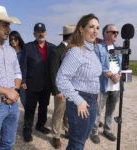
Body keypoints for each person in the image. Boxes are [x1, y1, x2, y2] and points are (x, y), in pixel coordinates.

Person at [56, 14, 102, 150]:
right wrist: (78, 100)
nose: (95, 31)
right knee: (77, 143)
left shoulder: (93, 51)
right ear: (81, 29)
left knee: (82, 139)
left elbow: (95, 77)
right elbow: (61, 79)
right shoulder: (76, 51)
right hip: (80, 101)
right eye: (91, 27)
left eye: (97, 28)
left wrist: (97, 96)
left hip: (92, 101)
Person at [0, 5, 22, 150]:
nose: (8, 29)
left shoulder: (10, 51)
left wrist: (14, 91)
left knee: (8, 144)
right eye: (5, 25)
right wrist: (7, 92)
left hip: (12, 105)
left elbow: (17, 73)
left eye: (9, 25)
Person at [21, 23, 55, 142]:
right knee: (30, 108)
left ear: (46, 32)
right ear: (34, 34)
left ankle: (40, 125)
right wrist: (23, 81)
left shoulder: (52, 47)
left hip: (46, 85)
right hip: (32, 84)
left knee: (44, 107)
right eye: (38, 31)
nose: (41, 33)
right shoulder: (27, 47)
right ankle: (27, 130)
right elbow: (23, 65)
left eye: (43, 31)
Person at [90, 24, 122, 144]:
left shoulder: (118, 48)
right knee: (98, 110)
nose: (116, 34)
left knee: (111, 110)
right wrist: (111, 75)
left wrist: (118, 74)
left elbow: (122, 64)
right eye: (114, 32)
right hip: (102, 85)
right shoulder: (98, 48)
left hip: (116, 86)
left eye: (117, 32)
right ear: (106, 33)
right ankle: (94, 132)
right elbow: (97, 65)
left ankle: (107, 130)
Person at [49, 24, 76, 149]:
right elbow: (53, 72)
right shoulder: (56, 50)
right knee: (59, 113)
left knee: (69, 113)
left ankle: (68, 131)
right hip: (61, 89)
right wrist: (56, 91)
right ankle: (56, 136)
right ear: (70, 36)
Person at [9, 31, 26, 108]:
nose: (13, 41)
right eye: (11, 39)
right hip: (11, 81)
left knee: (24, 100)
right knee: (11, 100)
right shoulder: (7, 51)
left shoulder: (24, 52)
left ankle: (28, 119)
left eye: (15, 39)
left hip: (23, 81)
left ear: (19, 40)